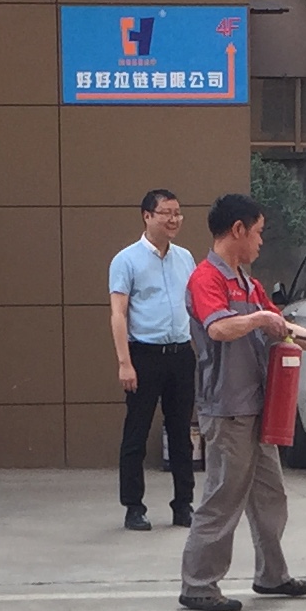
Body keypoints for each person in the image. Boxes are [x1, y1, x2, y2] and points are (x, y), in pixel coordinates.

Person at [179, 193, 306, 611]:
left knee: (270, 496)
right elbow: (219, 329)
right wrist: (260, 319)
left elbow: (286, 330)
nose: (261, 242)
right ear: (237, 230)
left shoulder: (248, 284)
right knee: (223, 497)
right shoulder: (206, 279)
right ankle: (199, 585)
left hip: (257, 406)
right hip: (227, 407)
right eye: (258, 232)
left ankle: (272, 575)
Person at [109, 187, 199, 533]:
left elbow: (193, 308)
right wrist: (124, 362)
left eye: (177, 213)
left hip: (181, 354)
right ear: (147, 216)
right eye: (166, 213)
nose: (174, 219)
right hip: (144, 354)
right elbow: (118, 313)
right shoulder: (126, 260)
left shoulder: (185, 258)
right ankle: (134, 507)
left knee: (181, 433)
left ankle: (183, 505)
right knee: (136, 431)